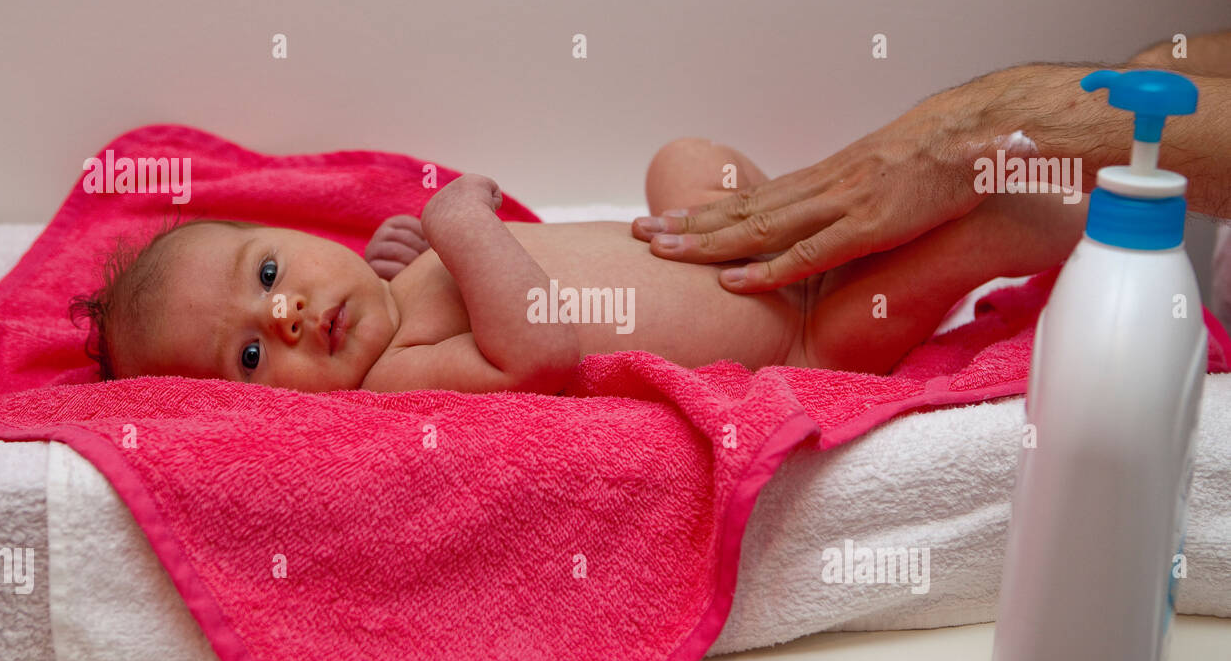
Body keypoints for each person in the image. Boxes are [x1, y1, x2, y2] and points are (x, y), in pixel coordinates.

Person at [70, 160, 1081, 393]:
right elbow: (540, 349)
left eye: (270, 269)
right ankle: (1097, 226)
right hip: (803, 337)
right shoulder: (392, 383)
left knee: (684, 158)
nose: (285, 311)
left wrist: (407, 258)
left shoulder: (401, 285)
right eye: (248, 351)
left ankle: (853, 223)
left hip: (731, 249)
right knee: (976, 239)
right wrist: (462, 224)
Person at [629, 31, 1231, 293]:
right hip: (780, 292)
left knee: (686, 161)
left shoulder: (820, 320)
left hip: (803, 319)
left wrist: (1006, 119)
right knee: (683, 161)